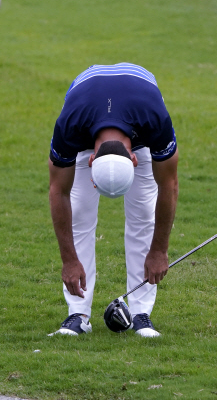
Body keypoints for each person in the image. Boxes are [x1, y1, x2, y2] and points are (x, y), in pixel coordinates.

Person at [48, 63, 178, 338]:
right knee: (80, 212)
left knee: (143, 212)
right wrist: (68, 260)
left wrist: (159, 250)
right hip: (87, 112)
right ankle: (77, 315)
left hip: (138, 105)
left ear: (134, 161)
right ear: (90, 161)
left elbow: (168, 185)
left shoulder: (154, 119)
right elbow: (58, 191)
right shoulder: (70, 125)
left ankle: (141, 314)